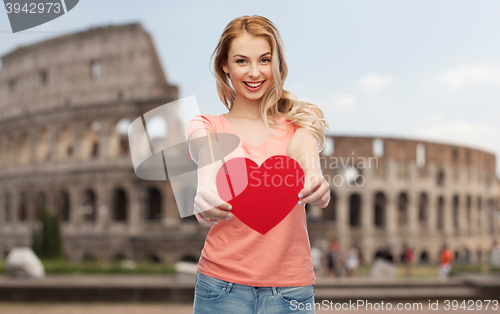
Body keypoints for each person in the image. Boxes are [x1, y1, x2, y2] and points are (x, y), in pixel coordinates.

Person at [186, 15, 330, 313]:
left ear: (276, 63)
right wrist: (205, 189)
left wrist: (314, 177)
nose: (254, 72)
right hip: (220, 286)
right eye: (242, 61)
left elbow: (303, 147)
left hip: (291, 289)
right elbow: (207, 153)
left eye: (264, 60)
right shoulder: (206, 125)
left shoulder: (299, 120)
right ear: (224, 65)